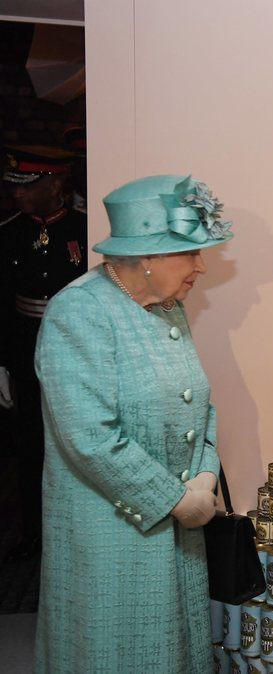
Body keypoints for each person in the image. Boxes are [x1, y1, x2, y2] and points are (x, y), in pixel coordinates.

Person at [33, 174, 233, 673]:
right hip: (111, 533)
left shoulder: (169, 308)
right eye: (191, 254)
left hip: (180, 528)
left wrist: (205, 475)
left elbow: (200, 402)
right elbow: (89, 437)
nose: (202, 267)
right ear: (148, 257)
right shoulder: (77, 312)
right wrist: (175, 500)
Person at [0, 145, 87, 559]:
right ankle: (35, 534)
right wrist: (2, 362)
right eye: (14, 185)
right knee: (31, 444)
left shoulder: (85, 231)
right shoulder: (8, 232)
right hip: (26, 351)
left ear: (54, 185)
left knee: (80, 441)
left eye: (27, 185)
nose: (17, 193)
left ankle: (76, 530)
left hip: (78, 352)